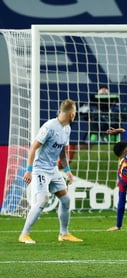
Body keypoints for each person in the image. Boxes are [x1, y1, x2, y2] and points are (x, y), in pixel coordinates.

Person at [18, 99, 82, 244]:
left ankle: (64, 234)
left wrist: (67, 170)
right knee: (42, 200)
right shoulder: (49, 127)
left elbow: (62, 152)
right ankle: (24, 234)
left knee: (65, 199)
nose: (75, 114)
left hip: (53, 169)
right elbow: (33, 147)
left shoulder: (67, 129)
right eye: (75, 112)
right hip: (40, 169)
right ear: (72, 114)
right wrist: (29, 170)